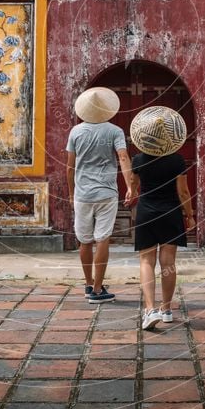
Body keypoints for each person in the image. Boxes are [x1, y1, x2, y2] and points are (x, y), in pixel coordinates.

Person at [128, 106, 195, 330]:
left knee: (146, 261)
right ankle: (166, 309)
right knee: (168, 263)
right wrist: (190, 215)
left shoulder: (138, 159)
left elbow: (133, 187)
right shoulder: (177, 160)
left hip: (146, 211)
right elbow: (183, 192)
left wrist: (131, 194)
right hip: (171, 212)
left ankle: (149, 310)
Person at [66, 86, 132, 304]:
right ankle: (97, 289)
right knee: (102, 238)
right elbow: (123, 157)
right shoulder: (114, 131)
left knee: (84, 241)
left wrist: (70, 193)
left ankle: (88, 284)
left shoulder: (75, 132)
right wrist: (130, 185)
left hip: (82, 194)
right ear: (107, 109)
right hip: (107, 193)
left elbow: (69, 168)